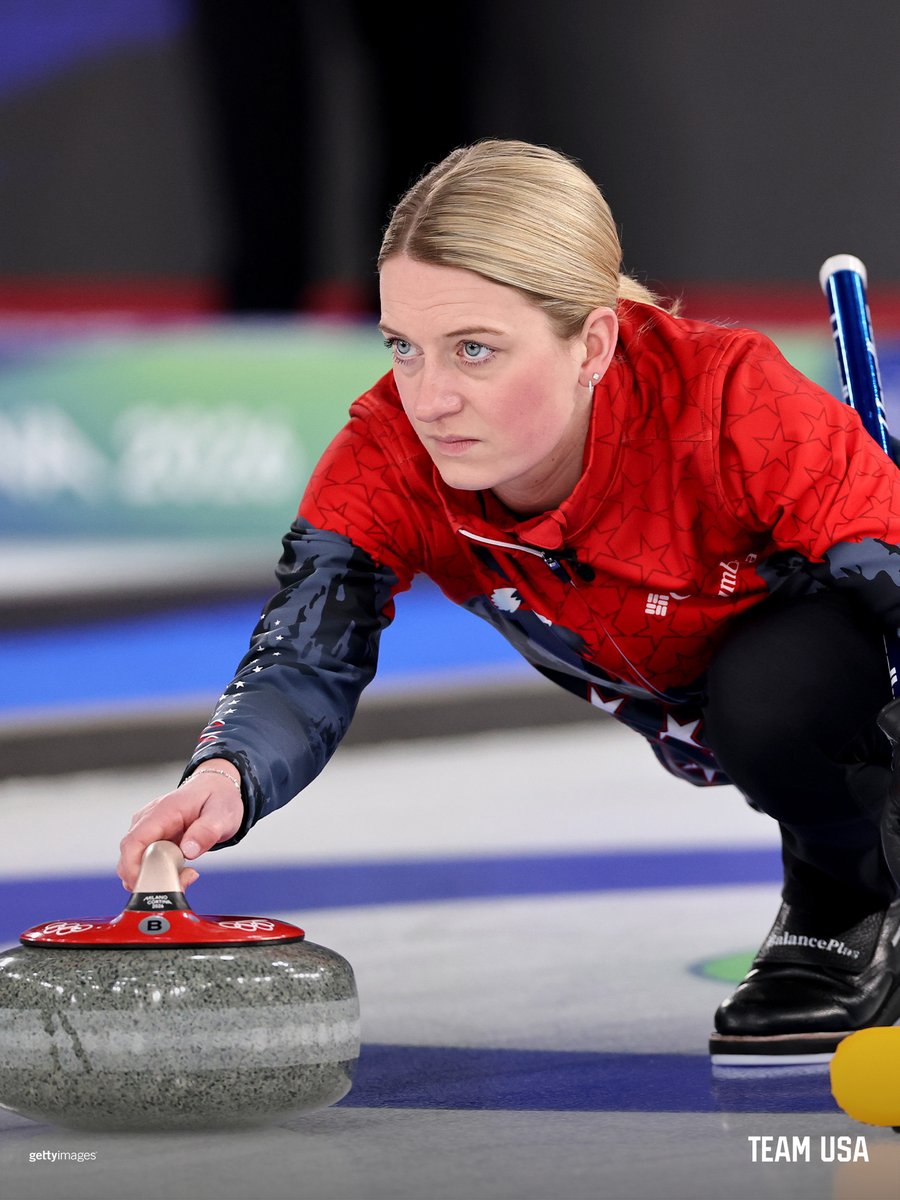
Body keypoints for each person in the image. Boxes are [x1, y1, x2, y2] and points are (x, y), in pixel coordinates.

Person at [117, 139, 900, 1063]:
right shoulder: (387, 458)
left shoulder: (733, 399)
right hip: (681, 695)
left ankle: (839, 903)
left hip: (822, 688)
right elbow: (305, 650)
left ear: (593, 343)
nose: (431, 398)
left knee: (773, 691)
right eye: (403, 348)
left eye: (475, 350)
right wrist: (226, 775)